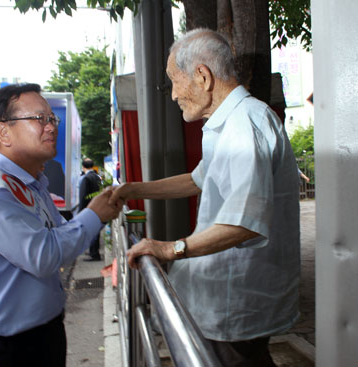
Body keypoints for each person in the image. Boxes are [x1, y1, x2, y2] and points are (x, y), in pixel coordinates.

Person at [110, 29, 301, 367]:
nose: (172, 95)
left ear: (202, 76)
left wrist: (170, 248)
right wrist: (134, 190)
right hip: (229, 295)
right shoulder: (228, 124)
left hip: (236, 298)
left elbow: (246, 223)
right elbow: (198, 179)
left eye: (174, 80)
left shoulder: (244, 126)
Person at [0, 84, 122, 367]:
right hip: (5, 349)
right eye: (39, 119)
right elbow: (43, 255)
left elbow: (56, 233)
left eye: (52, 119)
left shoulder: (30, 184)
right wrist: (94, 215)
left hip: (42, 335)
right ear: (3, 132)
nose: (51, 127)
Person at [79, 158, 103, 261]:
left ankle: (94, 254)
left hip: (89, 208)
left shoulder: (86, 178)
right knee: (95, 231)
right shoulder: (97, 177)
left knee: (91, 231)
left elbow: (83, 196)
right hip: (97, 207)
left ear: (83, 167)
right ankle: (94, 251)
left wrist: (81, 211)